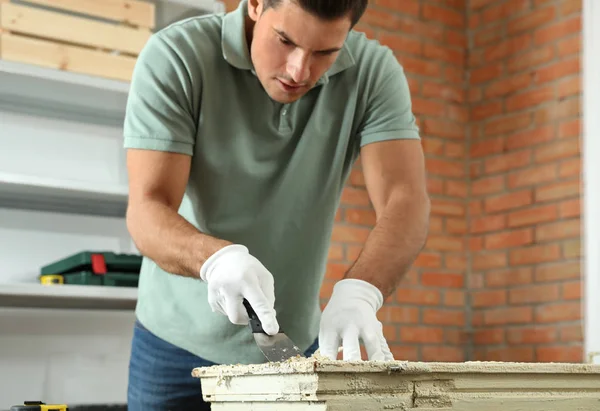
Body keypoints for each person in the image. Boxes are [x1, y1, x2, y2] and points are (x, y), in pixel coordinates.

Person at [123, 0, 430, 409]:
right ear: (254, 4)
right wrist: (213, 258)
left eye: (325, 53)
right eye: (285, 40)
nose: (298, 71)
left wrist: (362, 291)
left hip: (293, 346)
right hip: (174, 341)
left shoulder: (373, 72)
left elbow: (404, 198)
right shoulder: (177, 55)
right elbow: (148, 207)